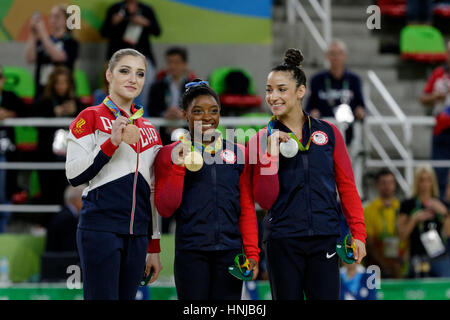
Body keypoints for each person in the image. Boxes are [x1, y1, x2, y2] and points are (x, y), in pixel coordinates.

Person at [249, 48, 366, 300]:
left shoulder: (330, 133)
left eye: (281, 89)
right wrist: (270, 156)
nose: (273, 96)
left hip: (324, 238)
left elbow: (346, 187)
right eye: (269, 89)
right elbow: (264, 200)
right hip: (282, 240)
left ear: (300, 91)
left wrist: (358, 234)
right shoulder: (259, 139)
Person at [65, 48, 163, 300]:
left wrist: (154, 246)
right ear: (109, 75)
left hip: (138, 235)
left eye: (140, 74)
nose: (133, 79)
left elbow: (153, 191)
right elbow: (74, 175)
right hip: (100, 229)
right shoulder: (90, 116)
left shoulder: (150, 128)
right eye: (124, 71)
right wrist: (111, 142)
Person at [154, 79, 260, 300]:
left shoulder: (238, 152)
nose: (207, 117)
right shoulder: (169, 153)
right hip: (191, 253)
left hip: (230, 253)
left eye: (213, 110)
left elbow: (246, 207)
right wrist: (178, 166)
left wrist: (252, 252)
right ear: (185, 114)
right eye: (198, 111)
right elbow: (165, 208)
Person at [32, 66, 84, 205]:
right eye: (58, 82)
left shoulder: (76, 103)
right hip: (47, 155)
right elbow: (34, 119)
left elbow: (86, 126)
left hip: (70, 157)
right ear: (52, 83)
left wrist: (76, 111)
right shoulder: (45, 102)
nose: (61, 86)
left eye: (64, 82)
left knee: (67, 191)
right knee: (48, 191)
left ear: (70, 84)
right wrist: (55, 111)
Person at [100, 0, 161, 107]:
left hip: (142, 56)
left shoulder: (146, 9)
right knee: (118, 87)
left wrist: (145, 22)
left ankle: (143, 115)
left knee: (144, 88)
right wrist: (113, 22)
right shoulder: (116, 8)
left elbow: (157, 31)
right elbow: (103, 32)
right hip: (118, 58)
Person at [305, 40, 366, 145]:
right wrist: (312, 114)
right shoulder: (317, 79)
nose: (336, 57)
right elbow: (309, 108)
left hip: (348, 134)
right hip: (323, 136)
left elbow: (361, 106)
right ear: (327, 56)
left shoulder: (354, 79)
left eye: (339, 53)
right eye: (332, 54)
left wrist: (360, 111)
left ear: (345, 56)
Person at [398, 164, 450, 278]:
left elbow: (448, 232)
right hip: (416, 255)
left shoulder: (441, 204)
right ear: (417, 182)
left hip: (439, 256)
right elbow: (401, 236)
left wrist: (445, 213)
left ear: (433, 182)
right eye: (422, 180)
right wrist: (414, 220)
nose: (425, 184)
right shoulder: (408, 205)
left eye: (428, 180)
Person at [25, 4, 79, 99]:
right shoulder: (44, 40)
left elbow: (58, 57)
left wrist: (42, 32)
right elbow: (30, 58)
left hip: (63, 91)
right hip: (42, 89)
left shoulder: (71, 42)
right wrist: (33, 33)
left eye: (57, 16)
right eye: (51, 16)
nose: (53, 20)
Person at [147, 47, 196, 147]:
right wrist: (165, 114)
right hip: (162, 133)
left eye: (177, 63)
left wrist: (183, 115)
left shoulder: (193, 87)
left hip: (187, 133)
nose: (173, 66)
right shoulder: (157, 86)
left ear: (185, 65)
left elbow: (197, 110)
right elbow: (152, 109)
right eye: (169, 62)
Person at [419, 40, 450, 197]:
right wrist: (436, 96)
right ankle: (441, 209)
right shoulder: (438, 73)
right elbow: (423, 98)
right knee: (439, 173)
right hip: (442, 129)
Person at [363, 169, 407, 278]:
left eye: (390, 182)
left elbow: (408, 238)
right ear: (377, 185)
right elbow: (369, 242)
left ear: (395, 185)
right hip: (376, 263)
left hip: (401, 262)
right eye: (383, 183)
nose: (387, 186)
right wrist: (385, 264)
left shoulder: (403, 208)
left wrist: (401, 261)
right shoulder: (369, 210)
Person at [0, 66, 28, 232]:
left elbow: (27, 111)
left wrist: (9, 114)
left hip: (6, 153)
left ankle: (2, 232)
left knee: (5, 193)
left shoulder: (10, 97)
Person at [45, 184, 86, 252]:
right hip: (62, 260)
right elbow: (70, 249)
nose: (87, 203)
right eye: (84, 199)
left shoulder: (61, 214)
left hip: (54, 259)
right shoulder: (69, 219)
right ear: (77, 200)